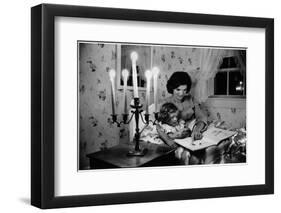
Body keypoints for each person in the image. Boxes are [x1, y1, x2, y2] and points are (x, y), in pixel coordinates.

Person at [156, 71, 229, 165]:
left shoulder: (191, 99)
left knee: (221, 132)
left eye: (184, 90)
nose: (181, 93)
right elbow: (159, 127)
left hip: (194, 129)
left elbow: (201, 117)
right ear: (172, 88)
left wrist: (197, 130)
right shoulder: (165, 104)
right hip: (179, 135)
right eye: (178, 89)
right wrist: (171, 138)